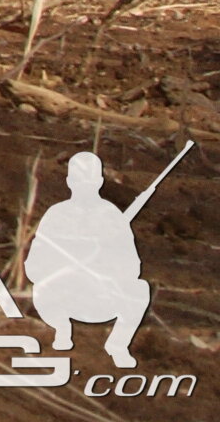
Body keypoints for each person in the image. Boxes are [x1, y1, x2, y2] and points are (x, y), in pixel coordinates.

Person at [27, 148, 158, 366]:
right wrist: (64, 266)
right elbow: (33, 266)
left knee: (140, 289)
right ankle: (61, 331)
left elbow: (132, 268)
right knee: (39, 290)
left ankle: (118, 345)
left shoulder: (113, 217)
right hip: (63, 295)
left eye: (88, 181)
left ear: (99, 182)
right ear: (69, 181)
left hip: (100, 296)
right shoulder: (56, 215)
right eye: (80, 181)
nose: (84, 186)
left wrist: (106, 264)